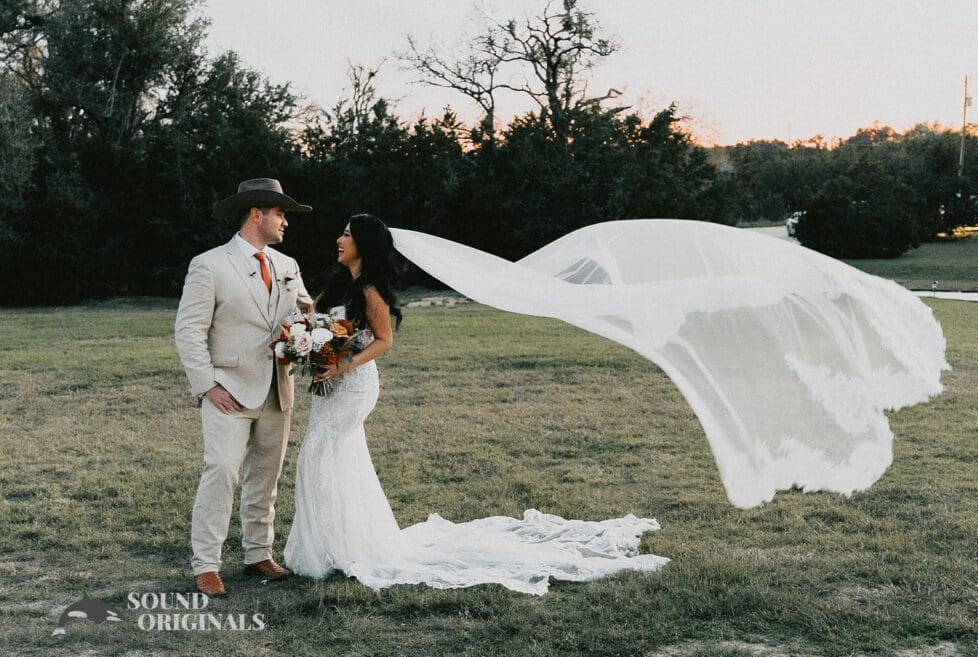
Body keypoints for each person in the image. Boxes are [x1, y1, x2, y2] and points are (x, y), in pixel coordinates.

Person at [283, 214, 668, 594]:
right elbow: (318, 324)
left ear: (363, 244)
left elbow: (384, 340)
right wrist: (305, 343)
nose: (339, 239)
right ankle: (339, 545)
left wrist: (343, 364)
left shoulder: (369, 290)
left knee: (319, 455)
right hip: (329, 387)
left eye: (347, 234)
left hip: (353, 388)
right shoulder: (336, 285)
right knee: (336, 460)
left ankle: (333, 549)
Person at [175, 178, 314, 597]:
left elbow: (306, 313)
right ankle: (206, 565)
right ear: (257, 213)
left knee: (265, 478)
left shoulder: (288, 265)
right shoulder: (210, 264)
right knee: (221, 470)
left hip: (277, 388)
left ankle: (258, 553)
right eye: (281, 213)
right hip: (228, 391)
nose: (285, 222)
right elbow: (188, 331)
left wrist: (304, 329)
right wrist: (206, 386)